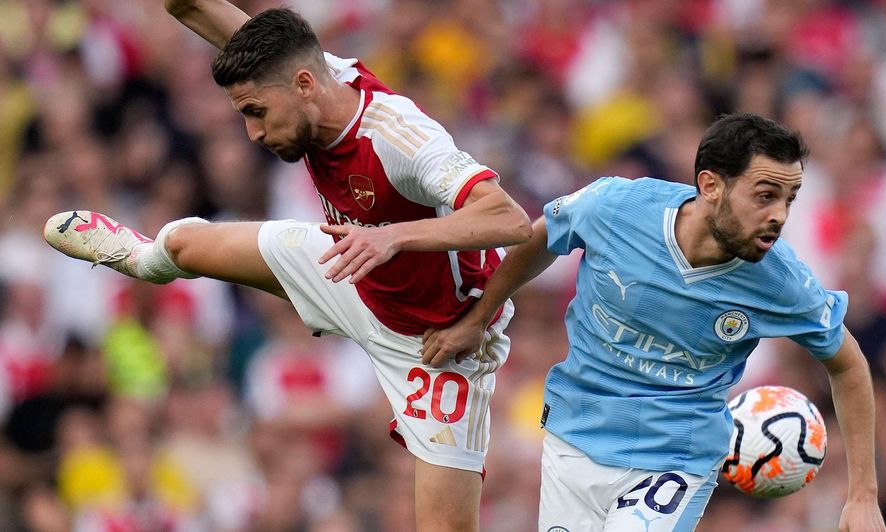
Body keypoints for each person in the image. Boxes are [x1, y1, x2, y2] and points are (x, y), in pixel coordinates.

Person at [43, 2, 532, 531]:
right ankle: (139, 259)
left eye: (256, 112)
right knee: (183, 245)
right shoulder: (305, 72)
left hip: (441, 338)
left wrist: (394, 237)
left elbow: (508, 218)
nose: (253, 133)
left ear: (304, 86)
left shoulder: (399, 136)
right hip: (347, 266)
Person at [422, 114, 886, 531]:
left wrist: (863, 495)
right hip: (574, 437)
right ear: (711, 186)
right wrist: (479, 319)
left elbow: (847, 364)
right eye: (766, 196)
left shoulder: (781, 281)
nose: (780, 216)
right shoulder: (615, 208)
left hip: (675, 460)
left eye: (790, 198)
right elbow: (543, 234)